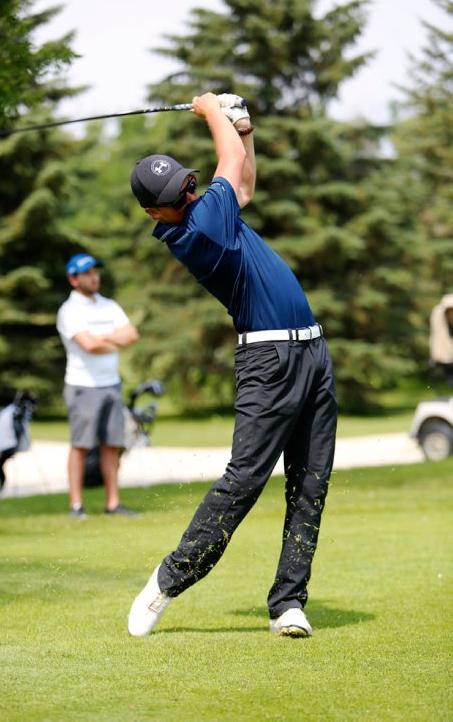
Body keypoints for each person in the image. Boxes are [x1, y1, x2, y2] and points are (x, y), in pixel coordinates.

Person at [127, 93, 337, 638]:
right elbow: (228, 169)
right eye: (178, 194)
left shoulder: (208, 209)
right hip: (268, 361)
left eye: (187, 183)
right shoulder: (195, 234)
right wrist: (210, 110)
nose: (189, 192)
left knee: (310, 484)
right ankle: (168, 581)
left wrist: (243, 127)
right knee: (244, 481)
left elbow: (241, 182)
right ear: (157, 213)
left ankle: (288, 602)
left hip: (312, 351)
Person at [57, 253, 139, 518]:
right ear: (73, 279)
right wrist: (114, 338)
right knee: (81, 445)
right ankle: (76, 505)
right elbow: (88, 345)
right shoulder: (69, 310)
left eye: (96, 271)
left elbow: (132, 335)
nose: (94, 276)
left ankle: (112, 504)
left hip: (111, 384)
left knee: (112, 444)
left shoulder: (109, 305)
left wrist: (102, 338)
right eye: (87, 273)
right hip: (83, 386)